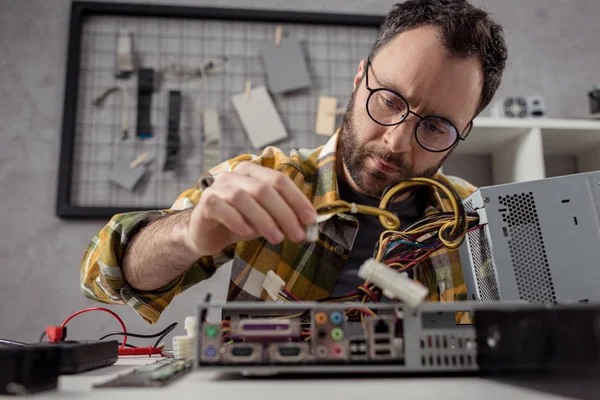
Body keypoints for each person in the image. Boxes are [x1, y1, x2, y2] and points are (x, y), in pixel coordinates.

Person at [80, 0, 507, 324]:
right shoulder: (266, 179)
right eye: (390, 100)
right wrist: (187, 234)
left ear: (463, 133)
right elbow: (103, 277)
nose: (396, 141)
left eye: (435, 127)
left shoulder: (478, 220)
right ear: (360, 79)